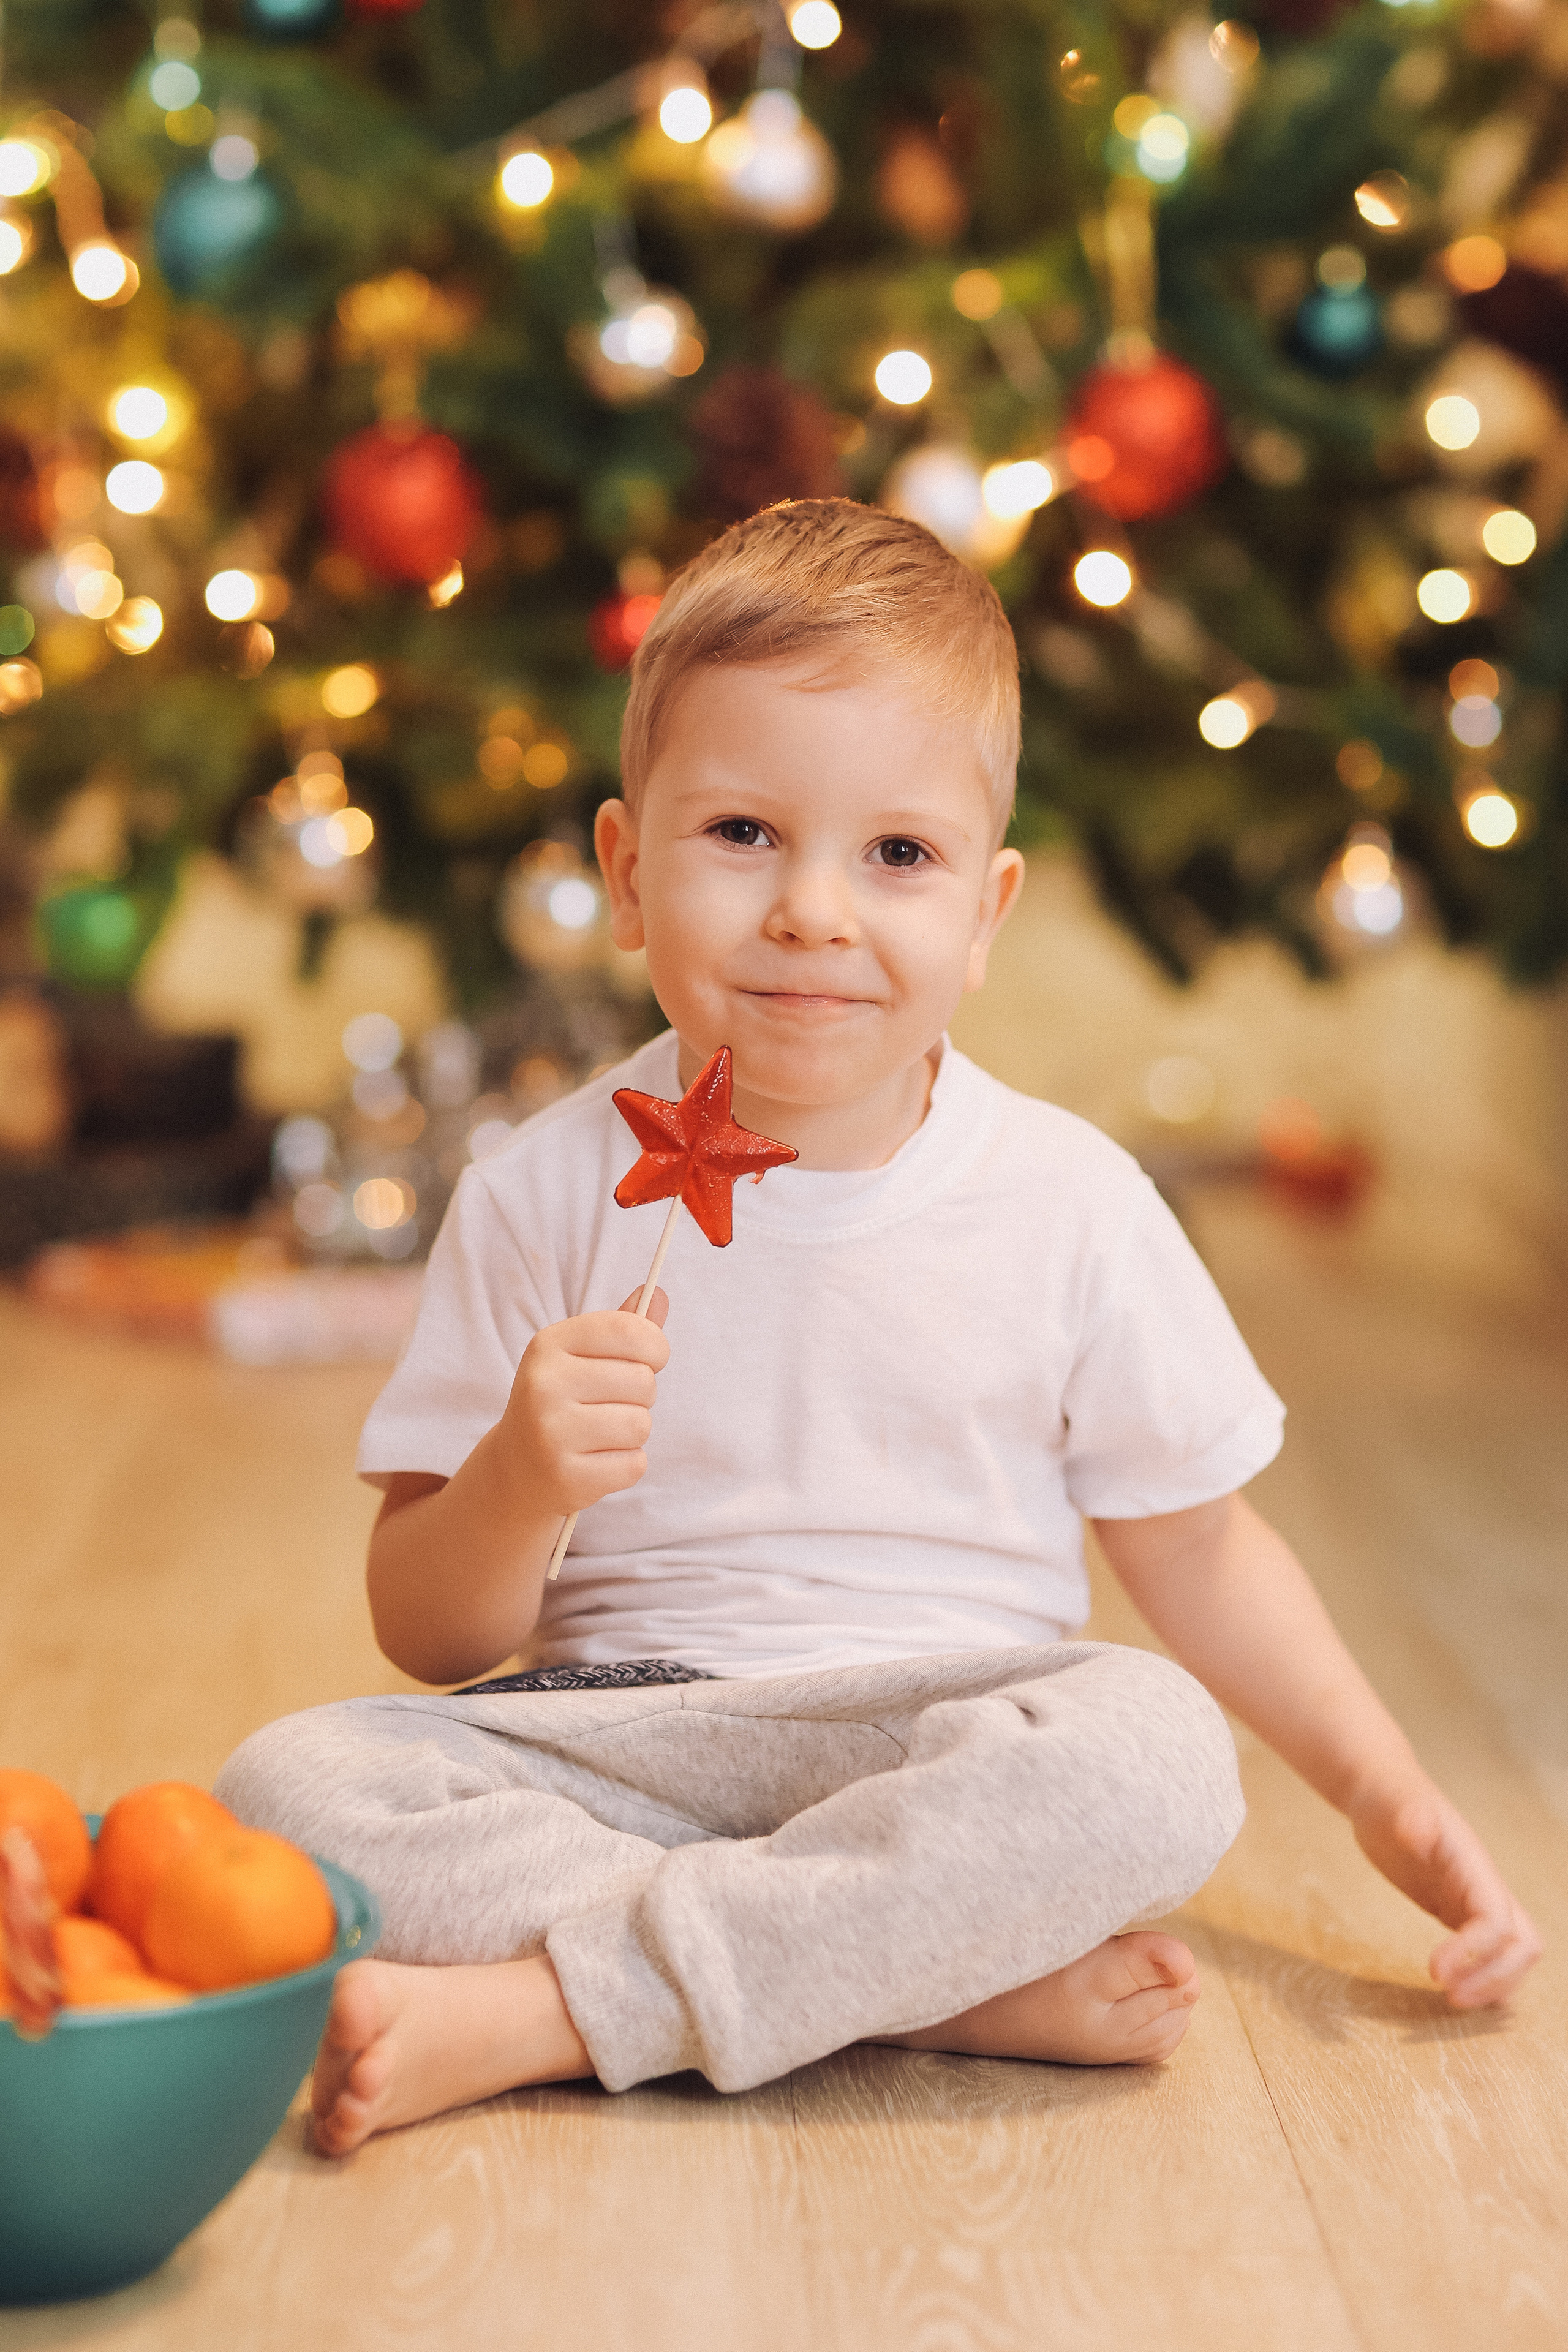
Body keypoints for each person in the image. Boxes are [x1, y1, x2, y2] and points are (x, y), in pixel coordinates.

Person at [217, 500, 1540, 2157]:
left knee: (1156, 1758)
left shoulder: (1071, 1202)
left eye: (896, 856)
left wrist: (1382, 1788)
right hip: (626, 1737)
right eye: (745, 835)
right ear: (629, 873)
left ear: (984, 916)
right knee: (297, 1789)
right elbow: (426, 1633)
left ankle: (560, 2010)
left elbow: (1197, 1551)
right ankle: (910, 1977)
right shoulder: (543, 1191)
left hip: (943, 1730)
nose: (815, 914)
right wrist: (517, 1484)